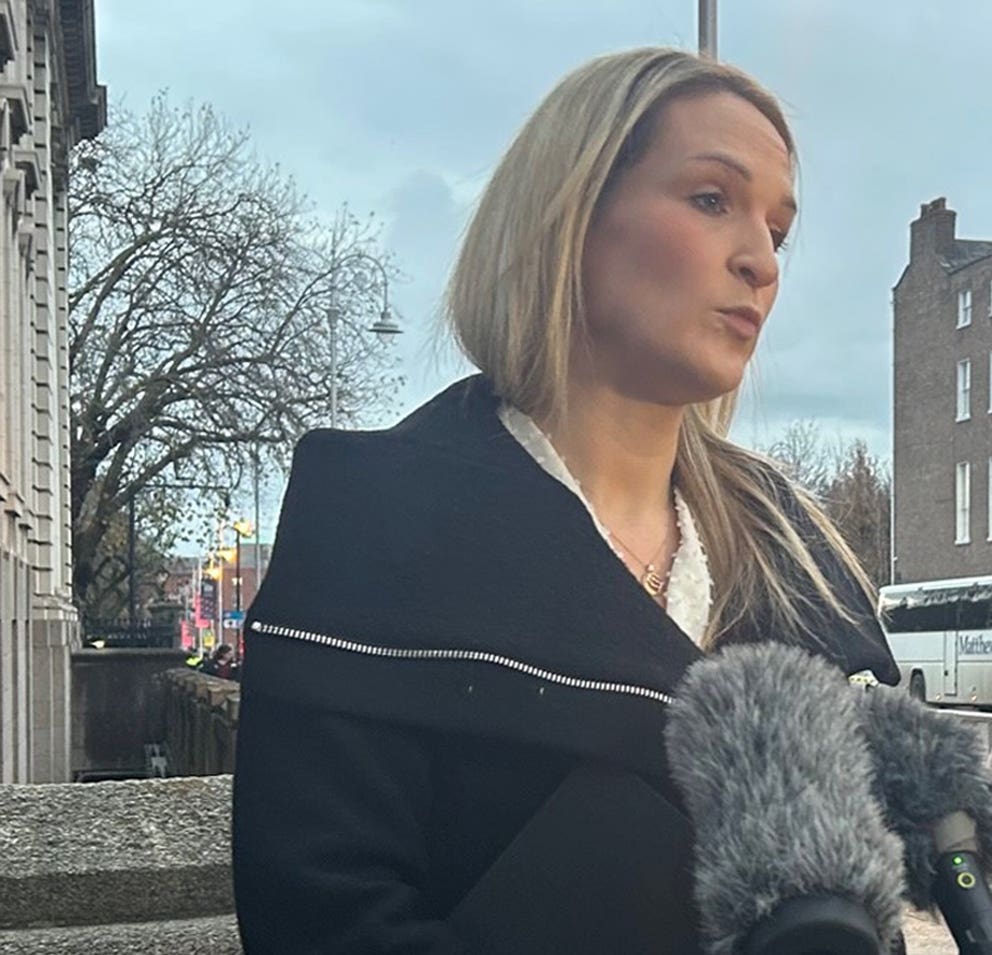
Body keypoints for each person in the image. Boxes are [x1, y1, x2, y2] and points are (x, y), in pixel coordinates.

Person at [231, 47, 899, 954]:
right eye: (712, 200)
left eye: (777, 232)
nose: (760, 262)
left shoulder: (795, 560)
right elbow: (324, 912)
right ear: (571, 214)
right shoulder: (376, 514)